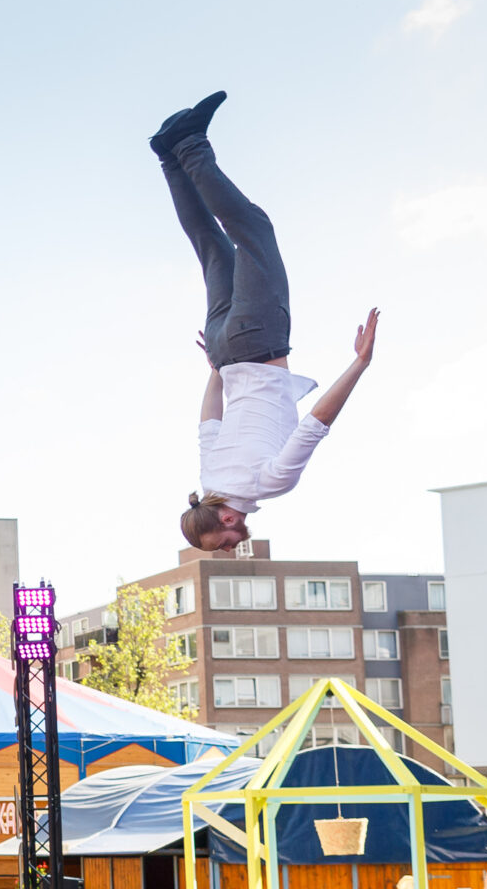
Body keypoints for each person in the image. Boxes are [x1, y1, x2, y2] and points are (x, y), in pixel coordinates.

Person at [153, 91, 379, 550]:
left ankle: (192, 144)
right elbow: (208, 420)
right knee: (211, 247)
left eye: (227, 539)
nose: (237, 540)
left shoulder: (266, 485)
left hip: (259, 341)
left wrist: (359, 365)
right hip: (223, 350)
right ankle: (171, 159)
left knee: (253, 231)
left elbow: (317, 422)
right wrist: (215, 369)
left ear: (228, 517)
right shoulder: (209, 476)